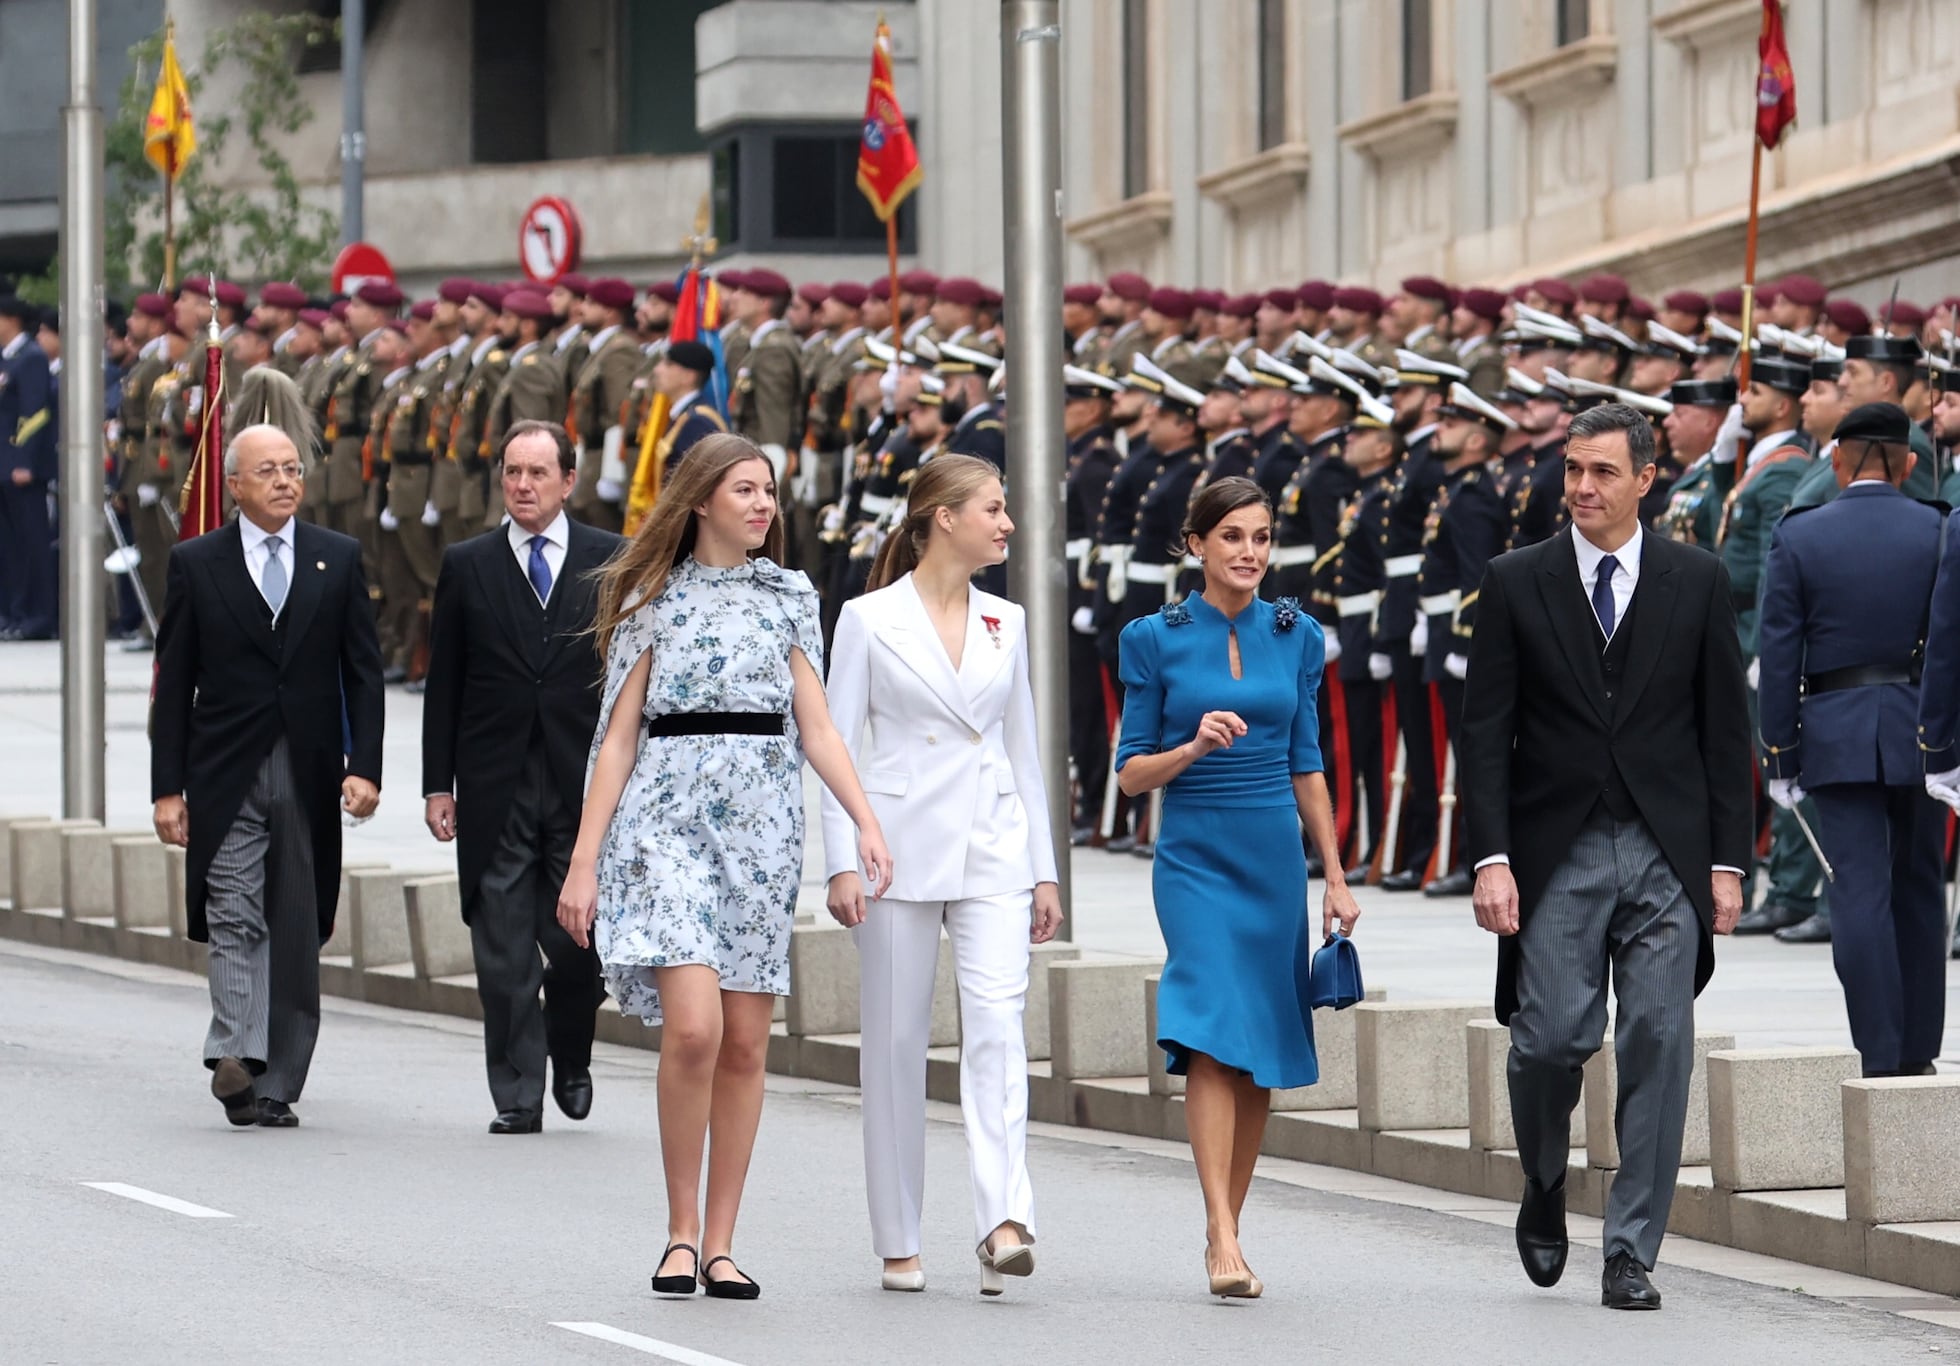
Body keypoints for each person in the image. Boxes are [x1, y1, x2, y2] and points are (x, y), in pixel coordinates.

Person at [555, 432, 893, 1301]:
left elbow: (817, 727)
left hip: (762, 834)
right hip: (664, 826)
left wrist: (862, 821)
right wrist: (584, 862)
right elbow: (617, 738)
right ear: (702, 499)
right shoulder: (649, 595)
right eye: (745, 490)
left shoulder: (789, 594)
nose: (762, 505)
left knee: (745, 1042)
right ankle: (677, 1230)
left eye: (769, 492)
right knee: (696, 1029)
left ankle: (721, 1242)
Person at [1459, 403, 1751, 1311]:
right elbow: (1486, 733)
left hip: (1668, 852)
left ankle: (1631, 1250)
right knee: (1550, 1040)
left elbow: (1722, 730)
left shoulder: (1696, 580)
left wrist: (1729, 863)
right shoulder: (1516, 580)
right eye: (1573, 472)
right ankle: (1544, 1180)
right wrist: (1491, 856)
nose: (1582, 488)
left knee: (1661, 1038)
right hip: (1558, 851)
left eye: (1602, 474)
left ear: (1644, 479)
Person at [820, 453, 1063, 1297]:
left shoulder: (1008, 619)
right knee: (893, 1045)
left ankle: (1003, 1221)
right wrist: (842, 860)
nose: (1006, 523)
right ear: (944, 518)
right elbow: (833, 747)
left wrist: (1044, 870)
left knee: (998, 1024)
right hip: (896, 849)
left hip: (993, 844)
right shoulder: (866, 618)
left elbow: (1023, 751)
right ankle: (899, 1237)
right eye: (992, 509)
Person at [1114, 476, 1361, 1299]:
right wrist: (1191, 748)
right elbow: (1129, 775)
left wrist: (1333, 872)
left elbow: (1308, 762)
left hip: (1271, 861)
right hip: (1193, 854)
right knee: (1213, 1030)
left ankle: (1229, 1224)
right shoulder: (1152, 637)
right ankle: (1220, 1229)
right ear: (1196, 545)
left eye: (1260, 537)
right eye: (1231, 537)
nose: (1249, 552)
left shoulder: (1297, 634)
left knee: (1254, 1051)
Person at [150, 424, 386, 1128]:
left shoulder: (336, 558)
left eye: (293, 469)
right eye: (269, 471)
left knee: (293, 919)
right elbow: (175, 681)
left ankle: (277, 1079)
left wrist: (365, 767)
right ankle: (235, 1054)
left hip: (309, 767)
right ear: (235, 485)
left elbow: (364, 673)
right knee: (233, 910)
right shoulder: (197, 562)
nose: (285, 481)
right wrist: (167, 788)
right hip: (224, 767)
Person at [422, 421, 620, 1133]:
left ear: (569, 481)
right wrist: (437, 782)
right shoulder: (468, 564)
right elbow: (443, 679)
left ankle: (571, 1052)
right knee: (503, 948)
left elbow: (630, 681)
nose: (524, 486)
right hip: (493, 780)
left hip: (581, 782)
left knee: (576, 948)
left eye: (539, 473)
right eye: (512, 472)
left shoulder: (610, 560)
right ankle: (517, 1095)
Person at [1757, 403, 1948, 1076]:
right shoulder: (1939, 529)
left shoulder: (1800, 535)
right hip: (1921, 729)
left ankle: (1880, 1051)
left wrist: (1778, 752)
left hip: (1834, 731)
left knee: (1858, 893)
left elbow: (1778, 653)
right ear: (1911, 464)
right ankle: (1920, 1049)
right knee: (1920, 885)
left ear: (1834, 462)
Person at [0, 295, 58, 640]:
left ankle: (38, 616)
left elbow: (35, 414)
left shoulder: (31, 358)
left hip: (22, 469)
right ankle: (13, 612)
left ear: (11, 320)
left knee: (32, 544)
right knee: (9, 546)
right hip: (4, 467)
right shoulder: (9, 359)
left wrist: (23, 461)